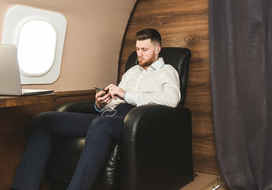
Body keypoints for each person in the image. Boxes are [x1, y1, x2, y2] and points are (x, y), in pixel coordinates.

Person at [11, 28, 181, 190]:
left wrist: (128, 95)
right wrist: (101, 103)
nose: (139, 54)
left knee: (101, 124)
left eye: (144, 49)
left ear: (157, 49)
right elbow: (115, 100)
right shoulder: (131, 72)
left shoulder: (167, 71)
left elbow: (172, 100)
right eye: (137, 49)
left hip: (133, 121)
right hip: (108, 115)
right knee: (43, 120)